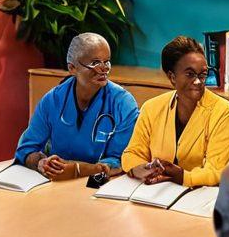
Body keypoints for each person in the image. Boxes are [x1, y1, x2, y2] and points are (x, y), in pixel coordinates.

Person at [15, 32, 139, 181]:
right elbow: (26, 149)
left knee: (88, 199)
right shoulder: (53, 100)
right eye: (95, 63)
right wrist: (41, 163)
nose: (104, 69)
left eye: (107, 62)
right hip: (56, 178)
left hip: (101, 178)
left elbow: (121, 160)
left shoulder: (123, 103)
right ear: (72, 68)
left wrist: (78, 170)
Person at [121, 36, 229, 187]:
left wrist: (182, 176)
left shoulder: (223, 111)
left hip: (199, 195)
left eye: (202, 74)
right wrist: (139, 169)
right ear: (172, 77)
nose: (198, 81)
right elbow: (132, 154)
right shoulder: (151, 108)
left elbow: (217, 171)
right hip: (154, 190)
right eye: (190, 74)